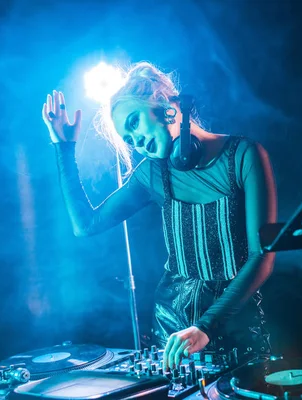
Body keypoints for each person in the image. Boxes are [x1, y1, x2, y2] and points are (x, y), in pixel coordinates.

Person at [42, 62, 277, 370]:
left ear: (165, 104)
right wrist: (63, 147)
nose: (136, 141)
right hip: (172, 336)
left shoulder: (244, 155)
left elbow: (263, 258)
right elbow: (85, 225)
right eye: (128, 138)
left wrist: (205, 326)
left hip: (236, 329)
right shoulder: (152, 174)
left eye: (134, 122)